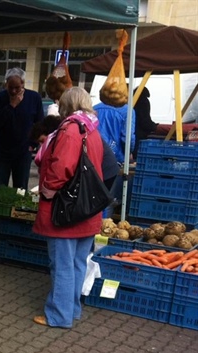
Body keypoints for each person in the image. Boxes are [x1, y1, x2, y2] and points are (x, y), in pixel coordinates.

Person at [32, 87, 104, 329]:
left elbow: (61, 167)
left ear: (67, 105)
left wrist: (47, 189)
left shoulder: (71, 129)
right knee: (77, 263)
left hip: (66, 209)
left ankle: (58, 316)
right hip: (87, 208)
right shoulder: (91, 127)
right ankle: (72, 310)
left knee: (62, 264)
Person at [0, 68, 44, 191]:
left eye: (17, 88)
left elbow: (40, 123)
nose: (14, 91)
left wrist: (33, 144)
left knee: (20, 189)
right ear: (6, 84)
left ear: (23, 84)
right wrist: (11, 106)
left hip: (23, 151)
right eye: (10, 88)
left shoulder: (34, 98)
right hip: (1, 151)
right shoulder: (0, 98)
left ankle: (18, 209)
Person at [33, 114, 119, 190]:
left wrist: (50, 187)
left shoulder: (66, 134)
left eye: (42, 141)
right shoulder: (72, 129)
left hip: (105, 170)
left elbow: (65, 165)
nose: (41, 145)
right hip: (103, 168)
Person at [94, 91, 136, 165]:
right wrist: (129, 152)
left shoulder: (94, 108)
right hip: (115, 156)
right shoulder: (127, 111)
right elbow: (127, 137)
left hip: (93, 152)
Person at [133, 86, 158, 159]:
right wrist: (154, 127)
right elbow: (145, 120)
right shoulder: (143, 102)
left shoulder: (132, 100)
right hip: (139, 134)